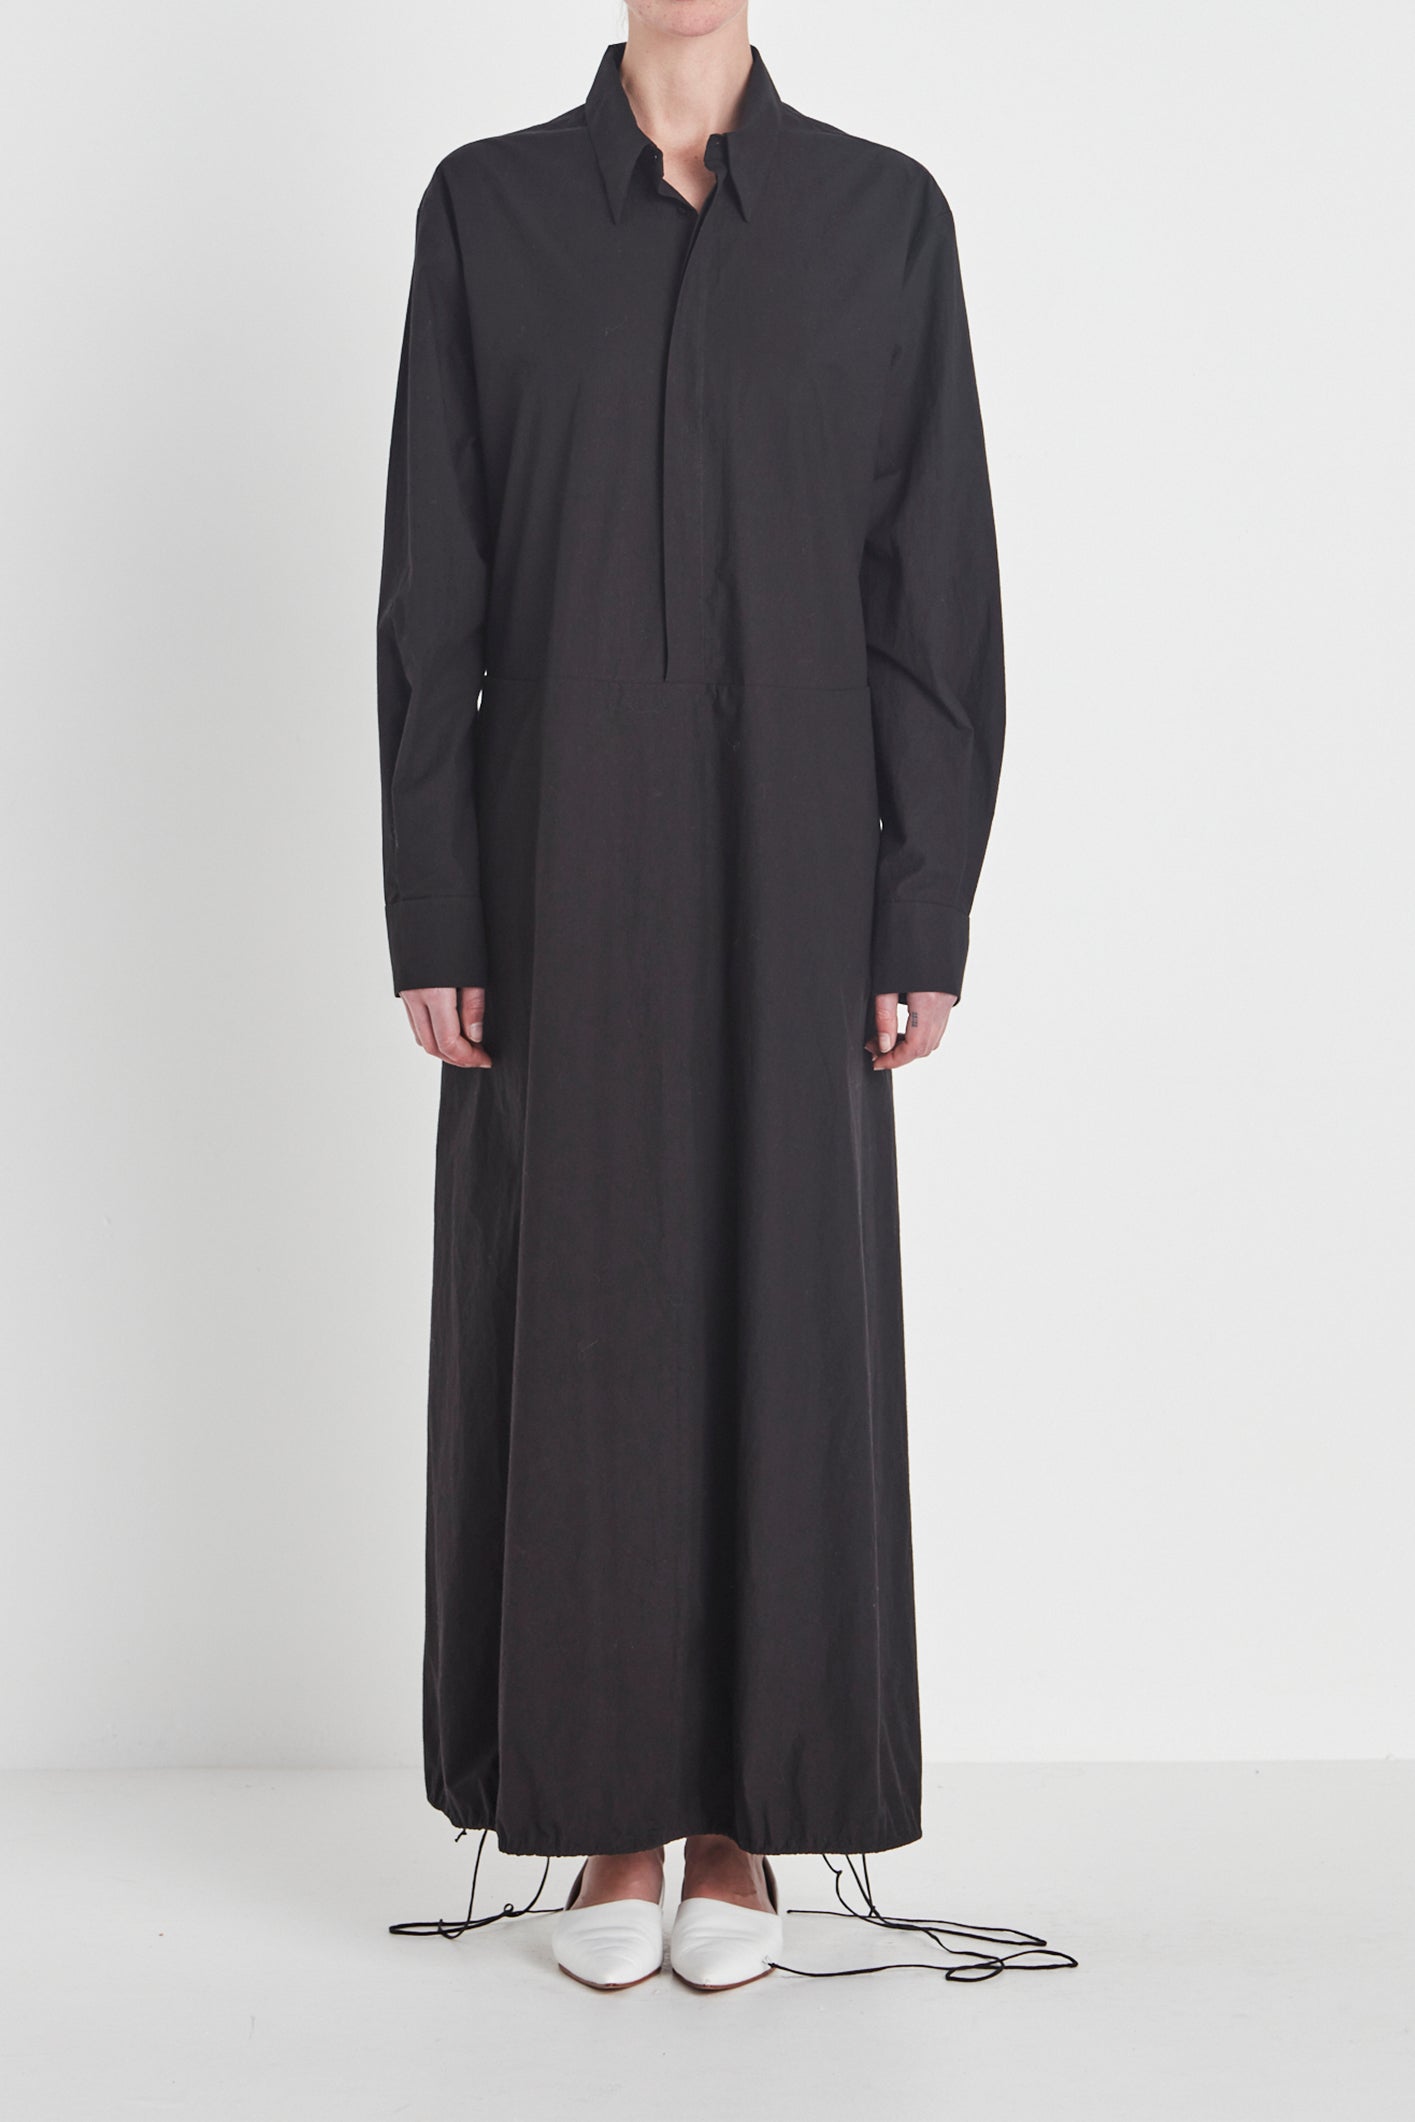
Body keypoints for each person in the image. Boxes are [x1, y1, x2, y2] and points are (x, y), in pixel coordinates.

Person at [376, 0, 1004, 1992]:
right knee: (579, 1299)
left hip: (800, 861)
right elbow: (433, 590)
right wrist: (434, 899)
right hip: (556, 856)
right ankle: (609, 1809)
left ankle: (746, 1818)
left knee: (781, 1295)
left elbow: (933, 588)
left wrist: (920, 905)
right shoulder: (486, 214)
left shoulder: (883, 221)